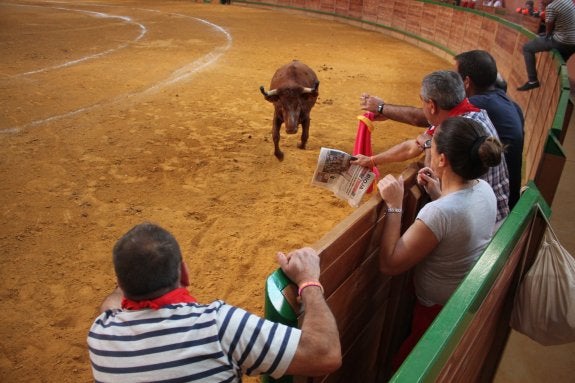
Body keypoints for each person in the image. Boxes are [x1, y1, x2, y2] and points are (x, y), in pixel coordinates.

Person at [87, 223, 341, 382]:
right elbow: (325, 354)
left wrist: (131, 279)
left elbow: (110, 304)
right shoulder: (217, 326)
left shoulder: (101, 334)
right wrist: (308, 282)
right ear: (184, 274)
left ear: (122, 285)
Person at [376, 116, 503, 370]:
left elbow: (390, 264)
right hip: (463, 300)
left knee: (408, 367)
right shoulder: (484, 189)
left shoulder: (440, 212)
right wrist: (437, 192)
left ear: (442, 160)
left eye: (432, 146)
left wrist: (395, 206)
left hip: (437, 313)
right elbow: (457, 215)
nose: (429, 150)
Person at [354, 70, 510, 224]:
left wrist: (428, 144)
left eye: (422, 102)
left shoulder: (454, 131)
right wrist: (373, 160)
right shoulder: (469, 114)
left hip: (482, 224)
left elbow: (431, 175)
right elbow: (411, 148)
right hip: (492, 213)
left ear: (432, 106)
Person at [454, 50, 524, 209]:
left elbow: (431, 116)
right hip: (509, 197)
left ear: (467, 82)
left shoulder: (475, 104)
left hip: (491, 205)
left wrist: (383, 108)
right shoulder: (512, 105)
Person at [517, 0, 575, 91]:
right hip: (573, 43)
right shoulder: (567, 1)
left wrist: (546, 34)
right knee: (559, 66)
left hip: (561, 41)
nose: (542, 1)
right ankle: (558, 90)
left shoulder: (551, 6)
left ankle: (532, 81)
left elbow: (548, 30)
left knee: (527, 48)